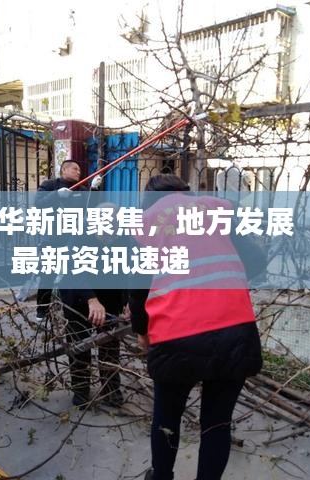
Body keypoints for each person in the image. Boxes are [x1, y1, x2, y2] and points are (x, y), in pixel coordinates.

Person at [129, 174, 266, 480]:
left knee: (167, 416)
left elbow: (137, 287)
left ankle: (161, 476)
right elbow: (257, 261)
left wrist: (142, 331)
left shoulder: (146, 222)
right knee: (217, 423)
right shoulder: (215, 210)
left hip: (176, 334)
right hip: (234, 329)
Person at [60, 203, 127, 408]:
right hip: (78, 296)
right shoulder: (80, 234)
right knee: (79, 344)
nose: (108, 236)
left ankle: (111, 389)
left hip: (110, 296)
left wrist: (129, 302)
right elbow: (73, 269)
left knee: (109, 342)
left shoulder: (126, 237)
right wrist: (91, 299)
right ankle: (80, 390)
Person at [33, 160, 99, 320]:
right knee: (47, 276)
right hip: (52, 240)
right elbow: (38, 204)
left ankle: (72, 313)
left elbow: (91, 209)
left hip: (74, 240)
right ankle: (42, 311)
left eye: (79, 170)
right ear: (64, 170)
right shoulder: (49, 185)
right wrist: (56, 195)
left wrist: (94, 189)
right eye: (75, 169)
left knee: (74, 276)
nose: (79, 172)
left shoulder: (82, 189)